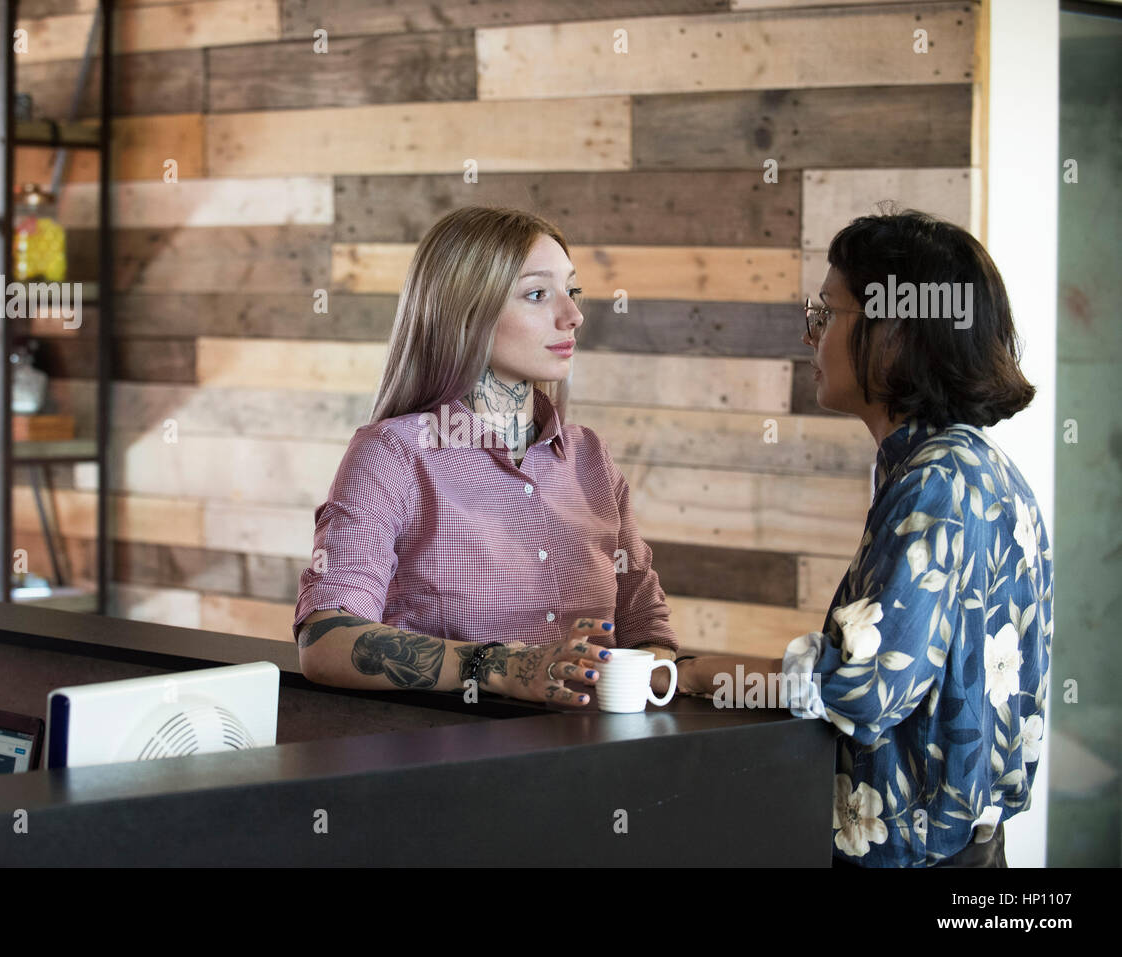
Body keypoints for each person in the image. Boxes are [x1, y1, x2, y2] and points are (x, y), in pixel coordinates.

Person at [676, 210, 1052, 867]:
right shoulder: (975, 466)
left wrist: (703, 674)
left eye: (827, 312)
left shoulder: (937, 480)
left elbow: (867, 682)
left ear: (896, 335)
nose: (809, 332)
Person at [294, 206, 680, 707]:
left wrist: (669, 670)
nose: (574, 315)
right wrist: (501, 666)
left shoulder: (591, 461)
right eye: (538, 294)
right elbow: (325, 641)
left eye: (573, 291)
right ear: (466, 310)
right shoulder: (392, 455)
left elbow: (647, 631)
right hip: (442, 763)